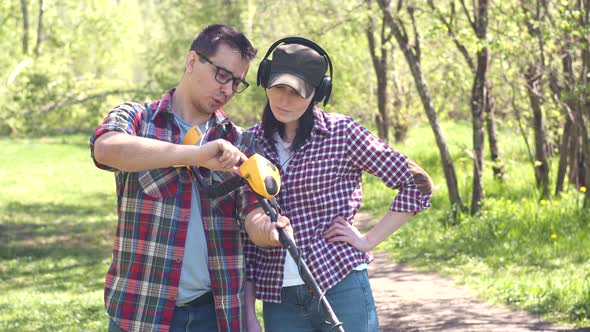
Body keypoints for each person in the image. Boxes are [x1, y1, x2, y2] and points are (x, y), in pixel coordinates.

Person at [90, 24, 291, 332]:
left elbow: (254, 217)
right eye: (222, 75)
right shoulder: (136, 118)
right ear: (191, 61)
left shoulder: (242, 143)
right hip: (141, 310)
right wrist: (195, 155)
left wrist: (271, 231)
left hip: (216, 313)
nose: (227, 89)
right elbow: (105, 149)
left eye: (236, 82)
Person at [243, 38, 435, 332]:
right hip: (279, 296)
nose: (284, 99)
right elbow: (242, 224)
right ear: (265, 79)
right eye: (278, 87)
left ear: (318, 93)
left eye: (297, 92)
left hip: (339, 281)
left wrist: (368, 241)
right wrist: (247, 312)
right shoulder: (250, 142)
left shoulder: (342, 133)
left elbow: (418, 183)